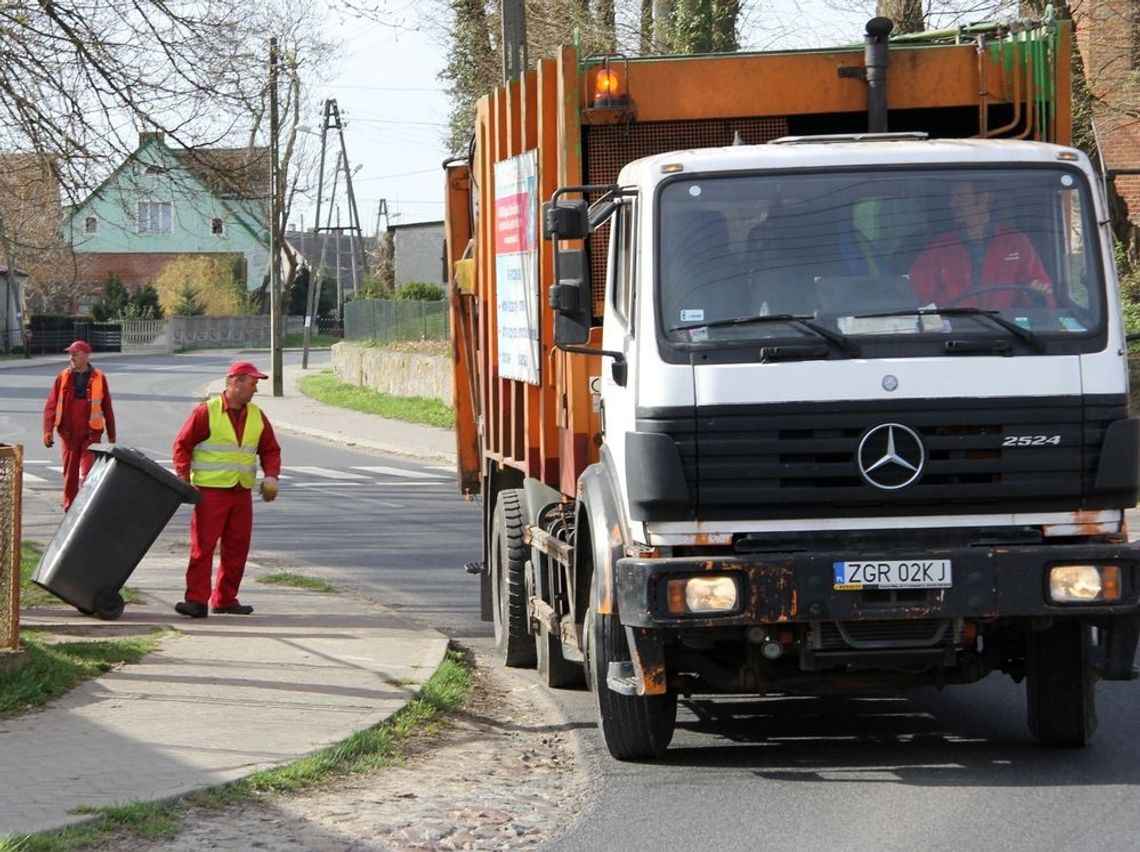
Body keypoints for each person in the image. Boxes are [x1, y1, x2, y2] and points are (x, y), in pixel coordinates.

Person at [172, 361, 281, 618]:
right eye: (252, 383)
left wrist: (272, 476)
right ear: (234, 382)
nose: (255, 389)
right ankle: (196, 600)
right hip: (211, 492)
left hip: (241, 491)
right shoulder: (206, 411)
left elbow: (270, 449)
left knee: (237, 547)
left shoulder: (256, 415)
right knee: (203, 547)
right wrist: (183, 479)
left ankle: (225, 599)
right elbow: (182, 445)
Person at [909, 180, 1054, 309]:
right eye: (952, 197)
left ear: (982, 199)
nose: (952, 204)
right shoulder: (939, 247)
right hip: (953, 334)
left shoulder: (1015, 243)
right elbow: (915, 296)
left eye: (960, 196)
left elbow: (1044, 294)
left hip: (1008, 333)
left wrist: (1037, 295)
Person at [41, 340, 116, 511]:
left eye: (75, 354)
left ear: (85, 355)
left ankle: (85, 507)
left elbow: (107, 408)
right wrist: (47, 431)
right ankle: (70, 508)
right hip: (68, 433)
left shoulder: (99, 377)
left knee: (88, 471)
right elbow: (51, 406)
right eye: (70, 354)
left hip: (91, 434)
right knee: (70, 474)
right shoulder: (63, 376)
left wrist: (112, 435)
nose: (71, 357)